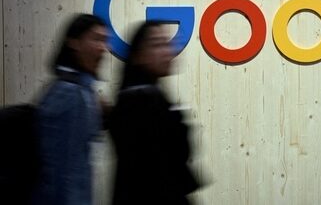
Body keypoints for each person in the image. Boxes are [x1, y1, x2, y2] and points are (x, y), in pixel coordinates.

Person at [109, 21, 200, 205]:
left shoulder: (144, 96)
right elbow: (164, 167)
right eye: (158, 44)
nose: (168, 52)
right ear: (138, 55)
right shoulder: (140, 102)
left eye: (168, 44)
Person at [32, 14, 109, 205]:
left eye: (104, 41)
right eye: (96, 39)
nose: (103, 48)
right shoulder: (71, 94)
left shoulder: (80, 90)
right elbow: (67, 174)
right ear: (74, 42)